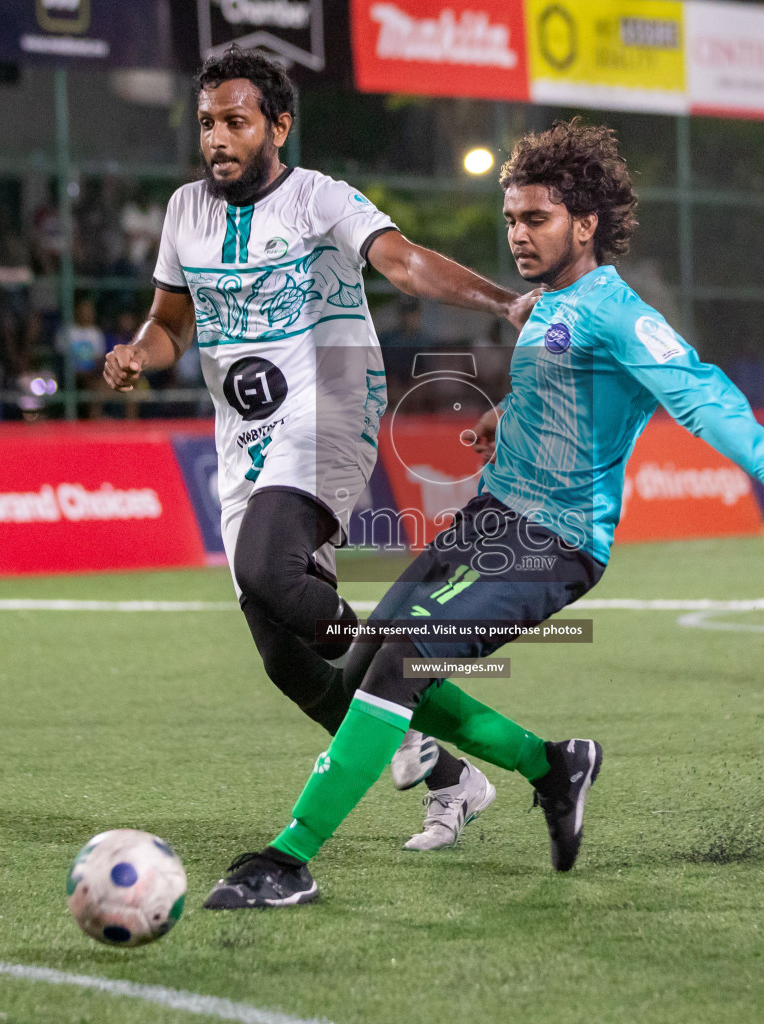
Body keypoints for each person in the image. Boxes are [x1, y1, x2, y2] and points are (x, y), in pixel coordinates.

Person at [200, 118, 764, 910]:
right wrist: (507, 418)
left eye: (537, 219)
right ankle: (552, 765)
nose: (518, 235)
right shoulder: (553, 305)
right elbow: (563, 387)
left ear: (586, 225)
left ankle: (290, 857)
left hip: (555, 540)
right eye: (512, 219)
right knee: (365, 664)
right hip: (494, 519)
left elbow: (700, 394)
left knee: (399, 662)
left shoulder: (620, 313)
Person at [103, 49, 540, 851]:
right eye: (207, 123)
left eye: (235, 121)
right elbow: (169, 324)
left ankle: (397, 694)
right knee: (286, 659)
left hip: (331, 407)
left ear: (278, 125)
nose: (217, 139)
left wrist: (504, 301)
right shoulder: (184, 212)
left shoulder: (319, 198)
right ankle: (451, 771)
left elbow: (404, 263)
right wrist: (138, 352)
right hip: (243, 440)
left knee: (269, 572)